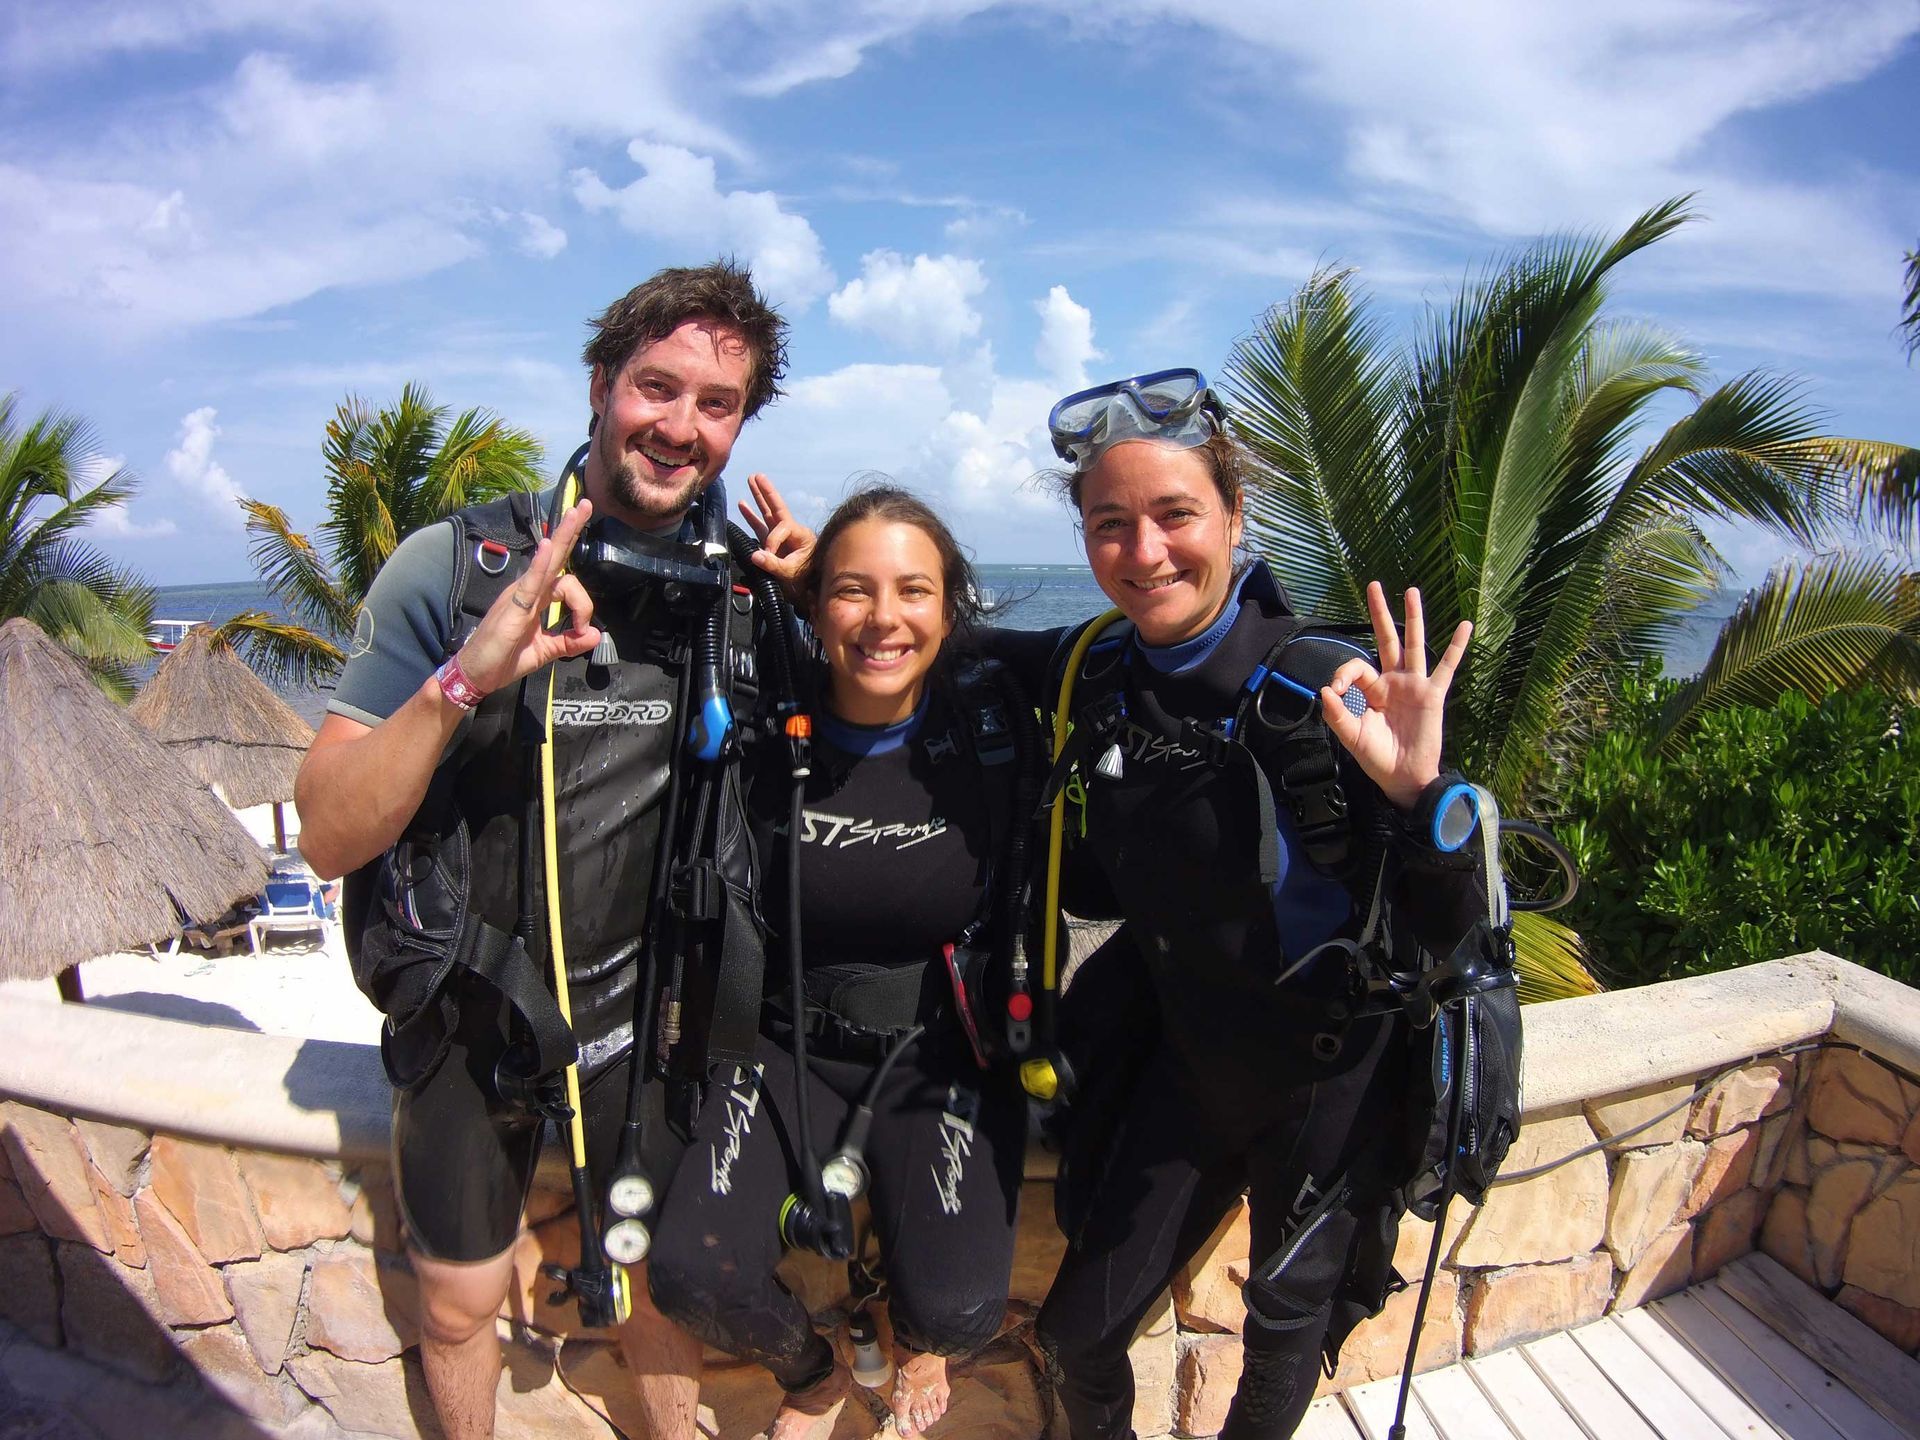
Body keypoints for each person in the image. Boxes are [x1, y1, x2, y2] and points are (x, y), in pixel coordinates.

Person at [295, 260, 809, 1440]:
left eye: (715, 404)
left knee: (652, 1283)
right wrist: (460, 684)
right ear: (600, 384)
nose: (679, 427)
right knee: (464, 1297)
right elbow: (325, 833)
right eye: (655, 387)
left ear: (739, 424)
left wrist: (818, 595)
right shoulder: (456, 566)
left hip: (646, 1017)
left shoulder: (734, 595)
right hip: (471, 999)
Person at [1006, 369, 1496, 1440]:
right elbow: (952, 645)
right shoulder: (1097, 668)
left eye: (1177, 515)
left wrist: (1421, 796)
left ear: (1235, 516)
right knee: (1077, 1338)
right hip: (1188, 1069)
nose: (1145, 555)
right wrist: (840, 576)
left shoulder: (1321, 691)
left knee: (1282, 1345)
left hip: (1327, 1085)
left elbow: (1450, 929)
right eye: (1110, 524)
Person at [647, 486, 1035, 1440]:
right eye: (853, 593)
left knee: (958, 1308)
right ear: (815, 607)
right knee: (690, 1272)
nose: (885, 619)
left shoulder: (994, 730)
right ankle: (815, 1372)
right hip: (782, 1045)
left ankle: (917, 1334)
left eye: (914, 591)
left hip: (937, 1054)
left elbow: (1136, 652)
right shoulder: (764, 725)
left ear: (952, 609)